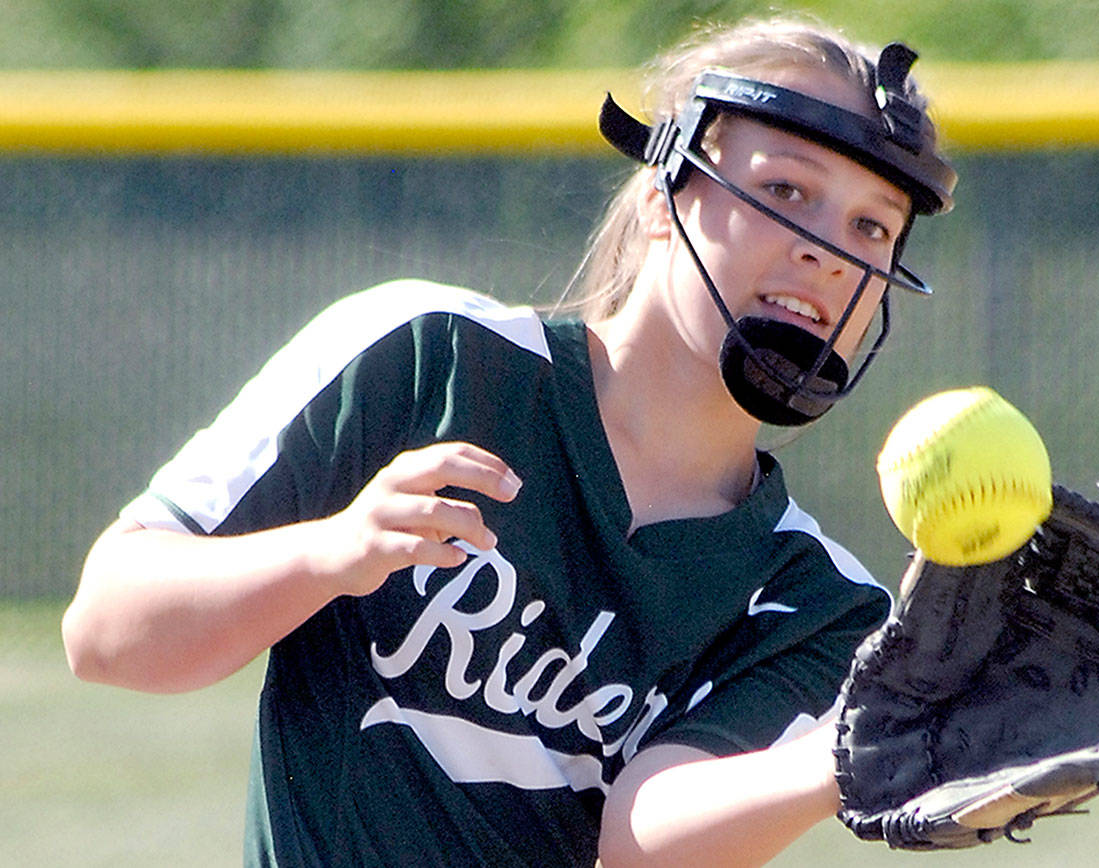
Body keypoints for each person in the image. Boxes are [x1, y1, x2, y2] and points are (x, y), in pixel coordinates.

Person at [62, 13, 956, 867]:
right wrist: (332, 554)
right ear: (660, 197)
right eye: (785, 190)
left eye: (871, 226)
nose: (829, 251)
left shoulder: (823, 603)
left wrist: (848, 746)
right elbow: (107, 630)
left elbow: (640, 841)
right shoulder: (428, 356)